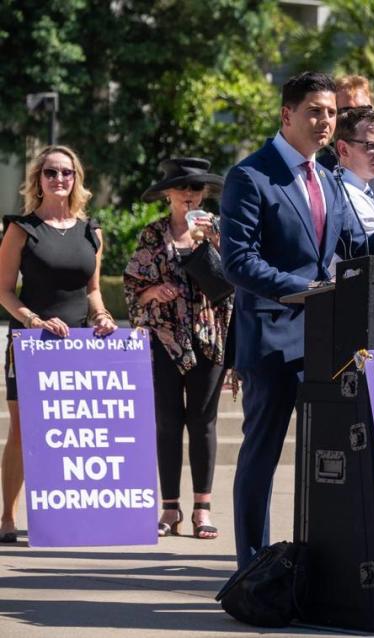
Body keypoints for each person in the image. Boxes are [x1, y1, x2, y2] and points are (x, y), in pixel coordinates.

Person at [220, 71, 374, 568]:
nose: (326, 120)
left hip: (326, 342)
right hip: (270, 338)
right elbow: (238, 261)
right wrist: (302, 291)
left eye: (330, 112)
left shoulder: (327, 179)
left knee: (327, 457)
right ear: (288, 115)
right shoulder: (250, 176)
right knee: (261, 455)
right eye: (315, 111)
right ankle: (252, 569)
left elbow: (355, 255)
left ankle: (323, 568)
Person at [0, 145, 117, 542]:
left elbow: (94, 290)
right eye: (50, 172)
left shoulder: (92, 231)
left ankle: (66, 517)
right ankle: (8, 517)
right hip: (32, 344)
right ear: (38, 179)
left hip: (79, 346)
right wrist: (33, 320)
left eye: (66, 172)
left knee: (74, 432)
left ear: (76, 179)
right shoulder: (21, 228)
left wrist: (102, 316)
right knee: (21, 430)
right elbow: (4, 292)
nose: (59, 179)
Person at [123, 157, 232, 539]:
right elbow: (132, 286)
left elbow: (231, 287)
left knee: (203, 423)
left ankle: (202, 508)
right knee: (168, 423)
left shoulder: (219, 230)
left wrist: (209, 246)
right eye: (183, 188)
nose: (190, 195)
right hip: (164, 340)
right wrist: (154, 291)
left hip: (209, 339)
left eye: (197, 189)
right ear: (168, 194)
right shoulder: (152, 235)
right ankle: (170, 509)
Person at [333, 107, 374, 234]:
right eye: (371, 146)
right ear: (343, 149)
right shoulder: (343, 194)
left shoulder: (361, 189)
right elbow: (369, 251)